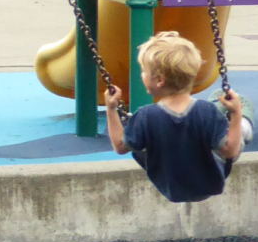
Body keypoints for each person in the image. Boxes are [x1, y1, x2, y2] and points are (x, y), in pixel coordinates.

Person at [106, 32, 249, 203]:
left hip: (171, 186)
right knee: (239, 110)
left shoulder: (145, 116)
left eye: (144, 71)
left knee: (140, 137)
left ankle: (239, 123)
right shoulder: (207, 111)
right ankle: (243, 121)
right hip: (209, 183)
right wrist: (236, 113)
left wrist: (111, 109)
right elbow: (230, 151)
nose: (142, 75)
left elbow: (120, 147)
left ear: (159, 80)